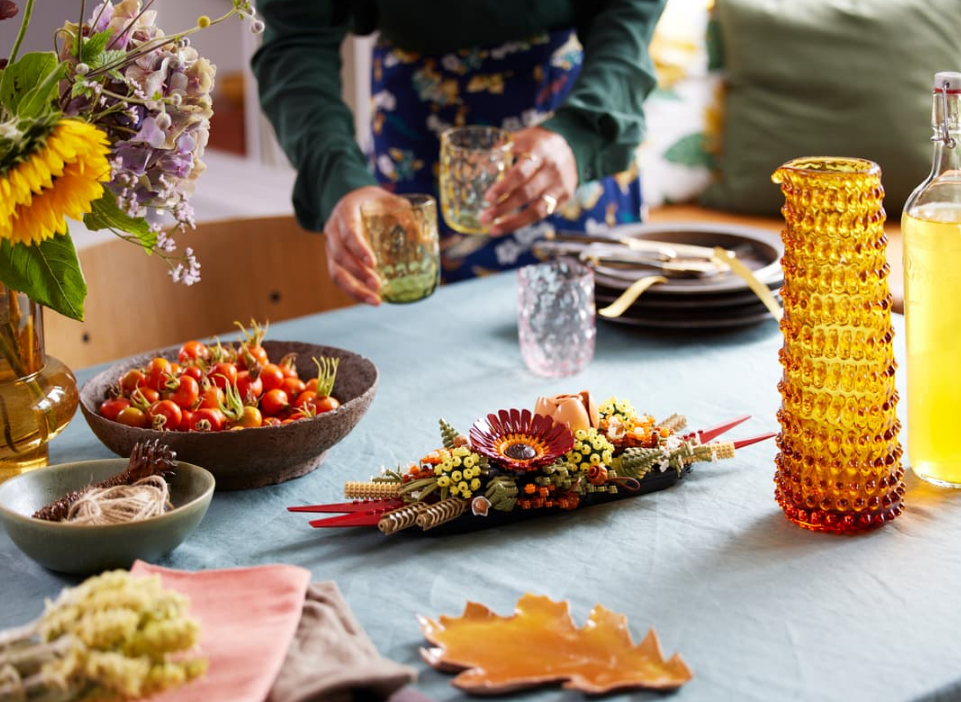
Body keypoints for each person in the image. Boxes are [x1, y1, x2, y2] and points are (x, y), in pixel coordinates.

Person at [251, 1, 667, 305]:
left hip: (572, 117)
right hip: (417, 126)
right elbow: (295, 38)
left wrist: (582, 130)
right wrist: (339, 180)